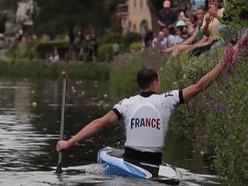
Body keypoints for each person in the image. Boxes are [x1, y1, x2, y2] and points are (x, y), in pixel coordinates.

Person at [56, 44, 234, 177]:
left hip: (130, 162)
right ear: (155, 83)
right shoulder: (168, 100)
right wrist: (223, 63)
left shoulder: (126, 104)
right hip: (154, 165)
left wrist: (69, 143)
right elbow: (199, 86)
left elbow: (99, 123)